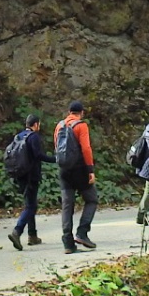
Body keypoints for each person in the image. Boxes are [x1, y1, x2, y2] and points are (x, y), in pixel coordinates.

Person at [6, 114, 54, 251]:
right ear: (36, 124)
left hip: (19, 175)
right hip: (31, 176)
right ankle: (17, 231)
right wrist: (55, 159)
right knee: (31, 207)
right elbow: (38, 155)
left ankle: (32, 236)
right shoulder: (34, 137)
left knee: (30, 204)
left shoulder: (19, 136)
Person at [55, 100, 97, 253]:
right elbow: (86, 148)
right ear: (81, 113)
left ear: (69, 112)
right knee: (92, 199)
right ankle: (82, 232)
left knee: (67, 206)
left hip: (64, 170)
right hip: (79, 169)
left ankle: (68, 243)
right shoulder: (81, 126)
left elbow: (56, 147)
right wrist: (90, 169)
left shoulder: (59, 126)